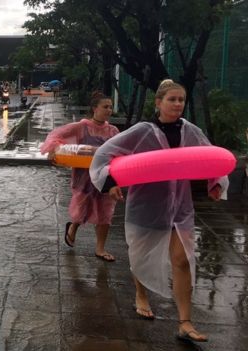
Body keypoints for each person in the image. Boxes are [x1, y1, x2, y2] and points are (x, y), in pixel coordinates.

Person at [90, 79, 228, 342]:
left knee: (182, 260)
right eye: (172, 99)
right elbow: (104, 155)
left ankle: (185, 322)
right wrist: (110, 183)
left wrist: (216, 184)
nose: (177, 104)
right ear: (158, 103)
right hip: (147, 205)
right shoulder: (142, 131)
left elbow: (210, 156)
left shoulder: (191, 131)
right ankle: (141, 294)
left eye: (181, 100)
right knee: (141, 256)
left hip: (180, 207)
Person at [40, 91, 119, 262]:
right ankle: (73, 226)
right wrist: (54, 149)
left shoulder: (113, 131)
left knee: (106, 212)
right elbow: (56, 135)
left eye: (111, 107)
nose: (109, 110)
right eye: (105, 107)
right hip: (84, 177)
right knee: (82, 209)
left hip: (105, 177)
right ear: (94, 108)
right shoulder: (81, 127)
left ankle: (100, 249)